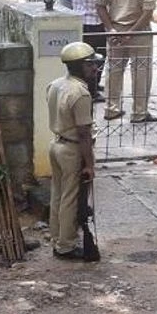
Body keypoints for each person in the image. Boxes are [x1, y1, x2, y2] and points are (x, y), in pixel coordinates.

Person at [47, 41, 102, 261]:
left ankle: (57, 239)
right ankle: (66, 246)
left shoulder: (55, 85)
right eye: (89, 65)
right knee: (70, 198)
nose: (94, 68)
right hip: (72, 149)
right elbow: (83, 133)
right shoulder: (80, 93)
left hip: (56, 144)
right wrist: (89, 164)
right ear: (78, 66)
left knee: (58, 195)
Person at [96, 0, 157, 123]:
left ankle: (111, 108)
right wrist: (131, 33)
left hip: (115, 31)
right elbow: (147, 12)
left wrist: (110, 29)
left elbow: (100, 4)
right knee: (141, 72)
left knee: (114, 70)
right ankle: (139, 112)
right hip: (139, 32)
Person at [68, 0, 110, 102]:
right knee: (96, 58)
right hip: (95, 21)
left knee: (81, 57)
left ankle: (85, 85)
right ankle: (92, 90)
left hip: (78, 17)